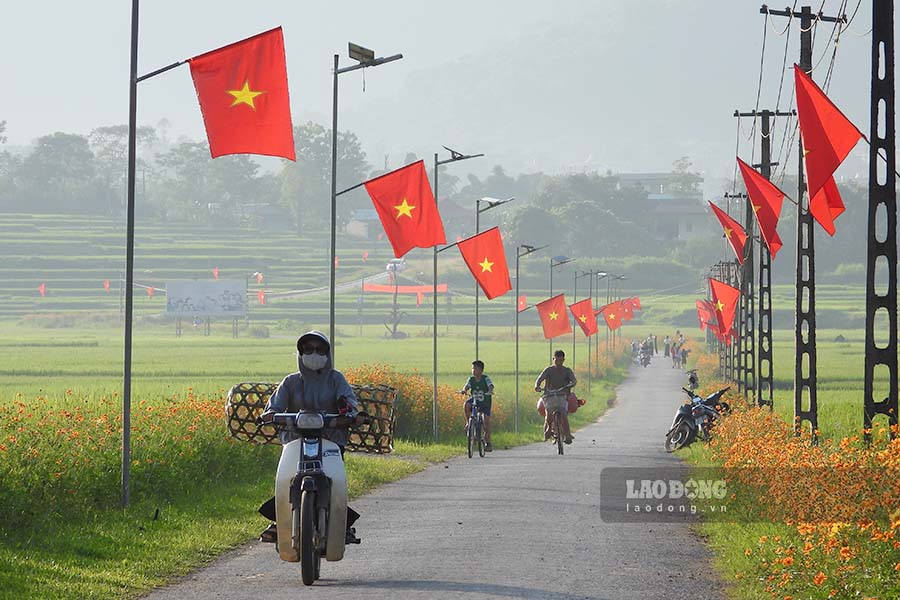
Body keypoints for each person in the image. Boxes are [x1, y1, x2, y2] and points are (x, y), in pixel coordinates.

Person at [256, 331, 362, 545]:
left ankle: (342, 524)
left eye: (320, 349)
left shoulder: (336, 379)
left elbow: (349, 402)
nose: (314, 354)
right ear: (300, 353)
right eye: (308, 349)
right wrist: (269, 415)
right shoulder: (290, 382)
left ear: (328, 353)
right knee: (287, 477)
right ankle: (281, 520)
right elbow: (274, 406)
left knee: (335, 480)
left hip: (331, 440)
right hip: (295, 440)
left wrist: (349, 413)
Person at [534, 350, 577, 444]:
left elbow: (574, 380)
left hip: (562, 396)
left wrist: (572, 384)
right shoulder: (548, 370)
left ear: (563, 360)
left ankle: (567, 434)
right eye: (556, 360)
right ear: (553, 359)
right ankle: (549, 428)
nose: (558, 362)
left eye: (561, 360)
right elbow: (540, 379)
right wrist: (537, 386)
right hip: (549, 396)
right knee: (548, 413)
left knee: (564, 414)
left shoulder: (567, 371)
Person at [461, 359, 495, 452]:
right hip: (474, 400)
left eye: (475, 368)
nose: (473, 370)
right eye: (472, 368)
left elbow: (490, 385)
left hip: (485, 402)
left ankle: (488, 442)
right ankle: (469, 423)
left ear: (481, 370)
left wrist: (490, 390)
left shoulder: (485, 378)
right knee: (467, 405)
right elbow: (467, 385)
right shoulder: (471, 379)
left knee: (486, 422)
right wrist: (464, 390)